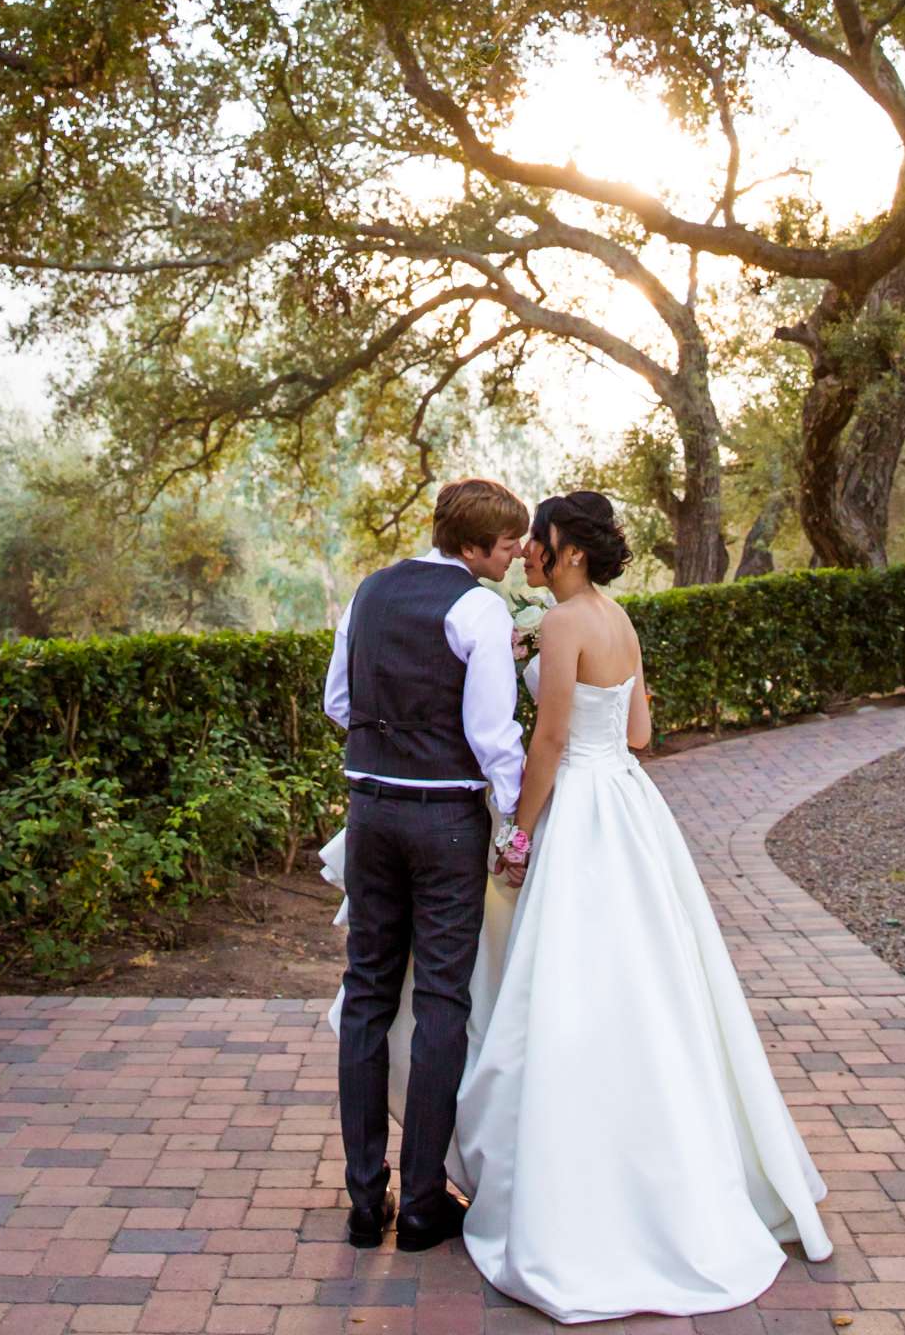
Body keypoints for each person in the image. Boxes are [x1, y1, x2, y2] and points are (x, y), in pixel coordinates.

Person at [454, 491, 833, 1323]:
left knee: (567, 988)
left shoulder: (561, 626)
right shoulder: (616, 619)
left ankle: (579, 1195)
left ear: (570, 553)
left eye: (538, 544)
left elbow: (549, 741)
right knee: (649, 984)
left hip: (581, 812)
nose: (526, 555)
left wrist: (518, 838)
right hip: (628, 806)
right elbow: (638, 734)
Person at [321, 475, 528, 1252]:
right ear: (475, 545)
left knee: (368, 991)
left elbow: (337, 703)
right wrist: (515, 822)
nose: (512, 557)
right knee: (442, 1000)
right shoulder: (477, 607)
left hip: (369, 812)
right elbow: (492, 734)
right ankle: (421, 1209)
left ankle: (362, 1199)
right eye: (507, 544)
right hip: (443, 822)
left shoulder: (369, 592)